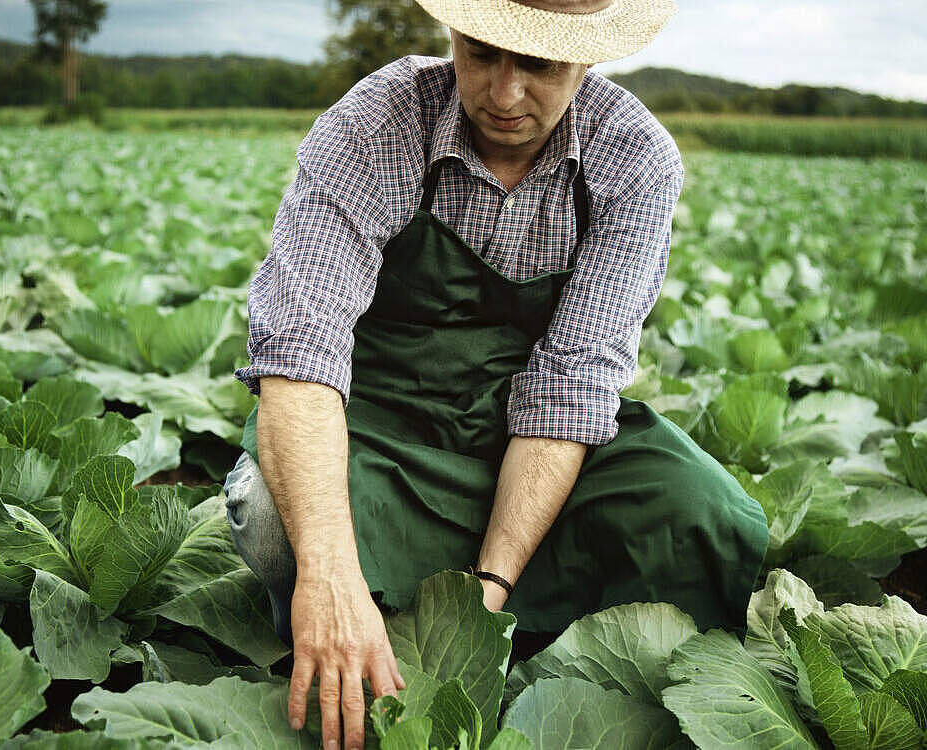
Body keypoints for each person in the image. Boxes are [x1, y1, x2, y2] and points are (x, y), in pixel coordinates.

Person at [223, 1, 769, 748]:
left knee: (699, 511)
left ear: (587, 57)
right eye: (481, 54)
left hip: (529, 430)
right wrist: (328, 575)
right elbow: (301, 355)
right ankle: (354, 635)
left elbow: (568, 390)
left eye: (539, 66)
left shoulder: (634, 159)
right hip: (383, 420)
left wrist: (486, 597)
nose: (503, 93)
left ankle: (561, 674)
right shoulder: (379, 123)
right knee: (269, 516)